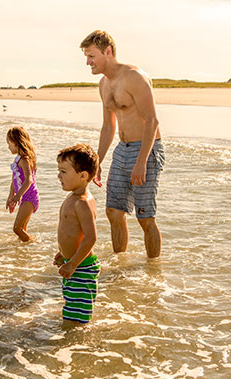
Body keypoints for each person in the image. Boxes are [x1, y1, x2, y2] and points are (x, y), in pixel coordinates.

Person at [80, 30, 165, 258]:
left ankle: (153, 271)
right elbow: (108, 126)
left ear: (108, 52)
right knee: (113, 212)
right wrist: (97, 161)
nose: (88, 62)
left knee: (145, 217)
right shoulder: (103, 85)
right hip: (122, 149)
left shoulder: (134, 77)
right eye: (86, 57)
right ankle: (121, 266)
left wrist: (141, 162)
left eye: (91, 56)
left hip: (146, 149)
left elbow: (152, 121)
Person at [54, 144, 101, 327]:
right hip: (73, 264)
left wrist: (73, 263)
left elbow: (91, 237)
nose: (59, 176)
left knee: (75, 322)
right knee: (71, 309)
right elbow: (72, 233)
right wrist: (65, 254)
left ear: (83, 176)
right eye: (59, 171)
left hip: (81, 268)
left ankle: (80, 350)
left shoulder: (82, 203)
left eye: (64, 171)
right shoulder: (72, 197)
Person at [6, 126, 39, 242]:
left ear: (16, 143)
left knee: (17, 229)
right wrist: (11, 196)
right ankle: (25, 252)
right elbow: (14, 180)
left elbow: (29, 179)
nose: (8, 146)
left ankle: (34, 244)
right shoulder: (17, 159)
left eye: (9, 143)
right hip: (24, 196)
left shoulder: (25, 159)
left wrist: (18, 196)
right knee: (22, 229)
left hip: (29, 197)